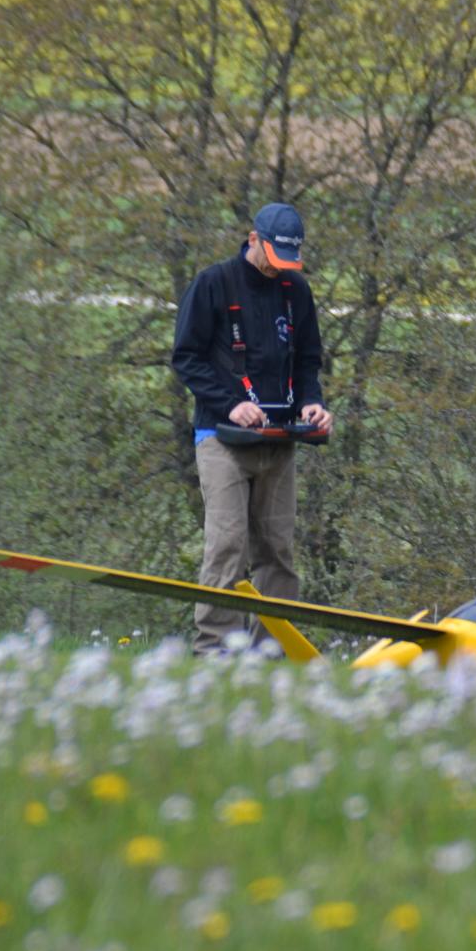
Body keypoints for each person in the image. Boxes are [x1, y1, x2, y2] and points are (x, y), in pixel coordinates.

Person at [171, 202, 333, 654]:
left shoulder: (296, 291)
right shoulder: (212, 284)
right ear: (253, 239)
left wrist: (313, 404)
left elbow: (308, 361)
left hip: (280, 441)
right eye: (273, 256)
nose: (278, 268)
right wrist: (231, 405)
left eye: (287, 260)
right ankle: (214, 652)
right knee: (227, 546)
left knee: (278, 551)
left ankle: (271, 652)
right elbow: (186, 358)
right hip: (222, 439)